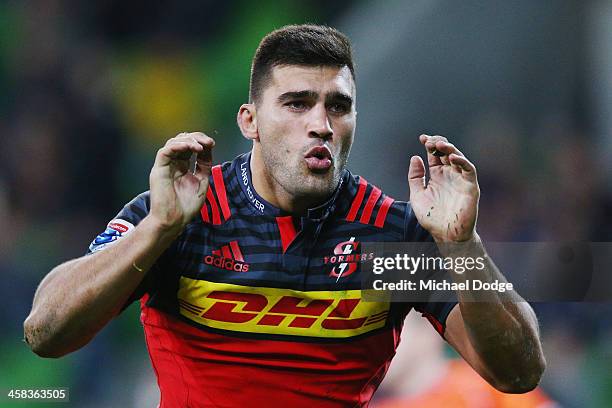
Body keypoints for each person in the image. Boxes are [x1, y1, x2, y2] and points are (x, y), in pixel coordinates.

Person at [24, 24, 545, 407]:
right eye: (297, 104)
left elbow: (518, 375)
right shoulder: (185, 215)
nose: (320, 123)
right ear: (250, 120)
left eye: (337, 106)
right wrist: (156, 231)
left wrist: (461, 245)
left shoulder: (390, 240)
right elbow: (46, 333)